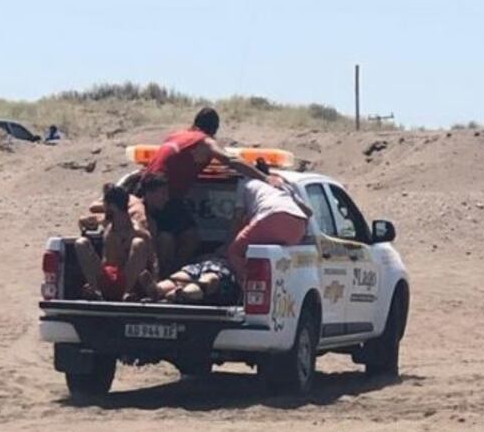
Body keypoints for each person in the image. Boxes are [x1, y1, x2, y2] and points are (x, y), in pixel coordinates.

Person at [143, 107, 272, 273]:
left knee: (167, 237)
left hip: (145, 188)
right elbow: (229, 159)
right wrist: (265, 178)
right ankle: (173, 275)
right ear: (214, 130)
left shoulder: (176, 136)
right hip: (165, 195)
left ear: (195, 122)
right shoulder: (204, 142)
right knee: (190, 238)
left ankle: (166, 277)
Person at [227, 162, 313, 280]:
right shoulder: (281, 183)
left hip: (270, 217)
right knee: (272, 257)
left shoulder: (245, 182)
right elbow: (308, 212)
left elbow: (238, 216)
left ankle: (246, 287)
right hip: (297, 225)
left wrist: (228, 243)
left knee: (234, 252)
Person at [74, 184, 154, 301]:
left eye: (105, 204)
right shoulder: (107, 223)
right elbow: (83, 221)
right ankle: (97, 292)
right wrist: (84, 222)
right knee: (81, 243)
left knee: (138, 243)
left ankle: (125, 294)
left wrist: (154, 286)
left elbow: (154, 262)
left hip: (128, 282)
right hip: (105, 279)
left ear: (112, 206)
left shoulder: (139, 232)